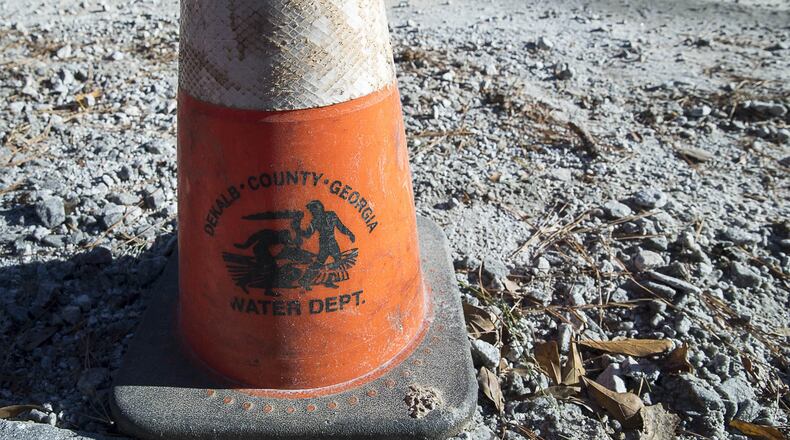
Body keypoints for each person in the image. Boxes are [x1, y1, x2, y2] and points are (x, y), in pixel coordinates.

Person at [298, 200, 355, 289]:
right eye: (311, 212)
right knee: (319, 264)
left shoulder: (332, 215)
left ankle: (329, 280)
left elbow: (341, 227)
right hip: (324, 245)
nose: (312, 213)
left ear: (319, 210)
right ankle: (304, 280)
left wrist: (350, 234)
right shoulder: (315, 221)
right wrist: (297, 228)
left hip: (332, 243)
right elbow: (307, 234)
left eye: (313, 211)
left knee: (338, 262)